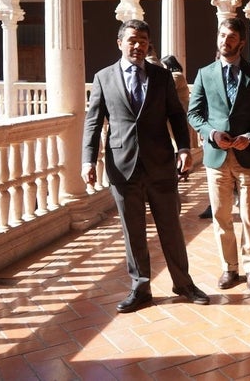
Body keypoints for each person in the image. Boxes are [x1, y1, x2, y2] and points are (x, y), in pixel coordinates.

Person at [81, 19, 209, 313]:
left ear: (149, 45)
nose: (138, 46)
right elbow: (93, 122)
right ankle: (140, 288)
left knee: (171, 227)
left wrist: (185, 148)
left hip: (160, 164)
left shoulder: (161, 77)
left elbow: (177, 115)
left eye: (143, 41)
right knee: (133, 230)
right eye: (132, 40)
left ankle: (183, 283)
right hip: (121, 165)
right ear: (120, 43)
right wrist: (88, 159)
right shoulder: (103, 78)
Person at [187, 17, 250, 292]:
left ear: (242, 42)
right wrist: (212, 134)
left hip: (247, 155)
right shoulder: (205, 74)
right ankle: (230, 268)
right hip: (216, 157)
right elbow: (194, 114)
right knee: (221, 216)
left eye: (231, 37)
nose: (225, 41)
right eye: (222, 36)